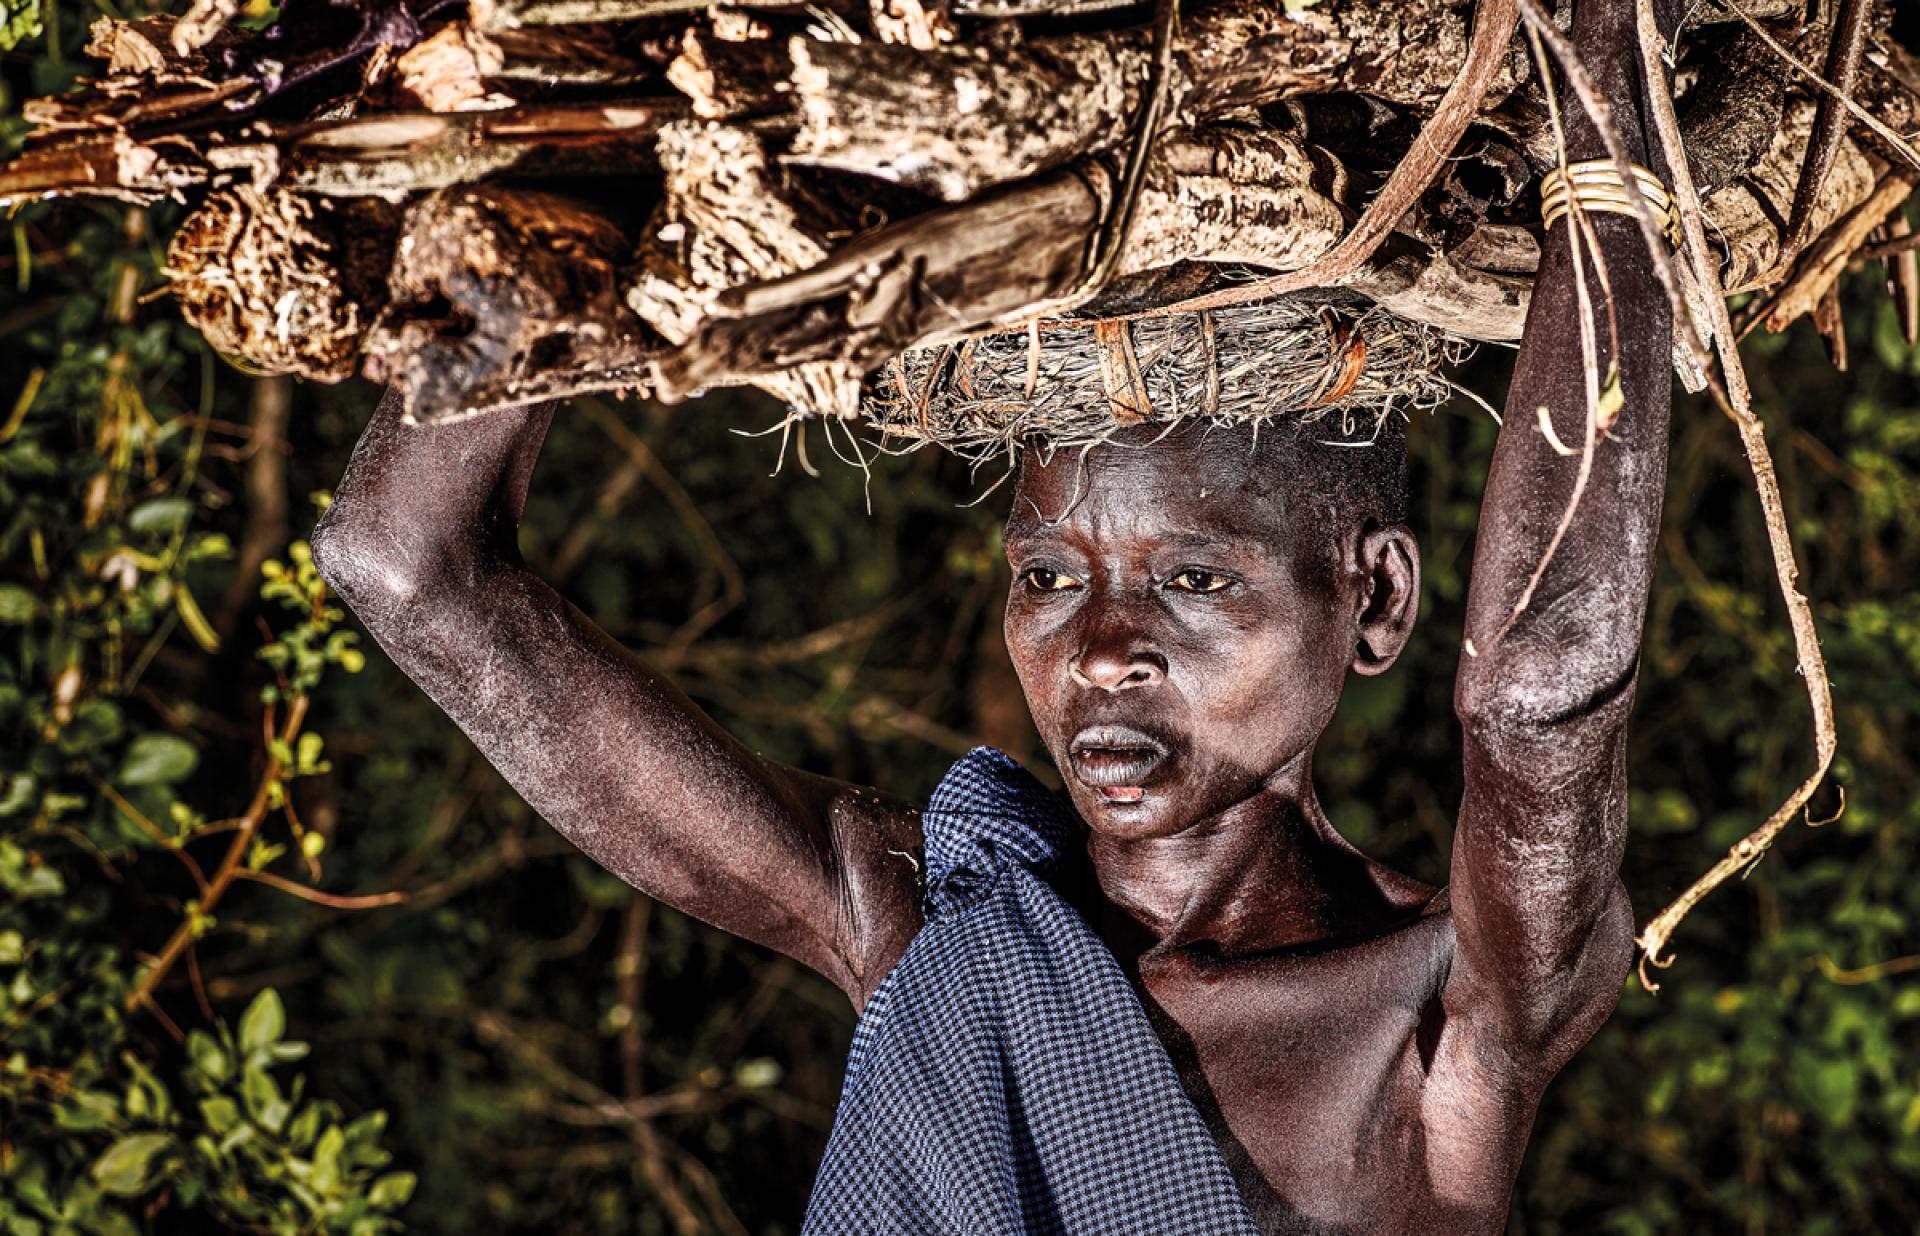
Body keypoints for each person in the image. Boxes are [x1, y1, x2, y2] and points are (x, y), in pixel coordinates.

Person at [311, 0, 1681, 1228]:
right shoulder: (938, 930)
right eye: (1047, 576)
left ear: (1375, 598)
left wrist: (1606, 88)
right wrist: (591, 158)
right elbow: (404, 566)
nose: (1096, 653)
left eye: (1195, 580)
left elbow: (1541, 693)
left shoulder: (1447, 1020)